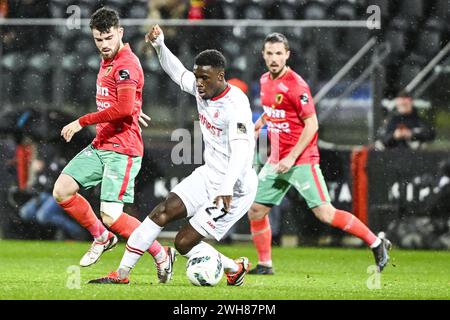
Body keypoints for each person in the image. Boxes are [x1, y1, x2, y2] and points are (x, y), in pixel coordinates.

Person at [89, 25, 257, 286]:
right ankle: (120, 275)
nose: (199, 83)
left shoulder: (236, 106)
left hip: (234, 187)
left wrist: (225, 187)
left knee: (183, 243)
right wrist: (160, 46)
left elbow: (241, 151)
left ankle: (233, 268)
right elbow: (178, 72)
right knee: (162, 211)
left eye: (205, 79)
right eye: (197, 77)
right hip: (210, 174)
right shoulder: (203, 87)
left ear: (221, 76)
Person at [247, 33, 392, 275]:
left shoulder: (297, 85)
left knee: (325, 213)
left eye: (278, 53)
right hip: (276, 161)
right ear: (263, 55)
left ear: (287, 55)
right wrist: (260, 122)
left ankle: (376, 243)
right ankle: (265, 264)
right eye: (269, 53)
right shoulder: (264, 81)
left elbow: (312, 124)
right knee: (255, 211)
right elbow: (274, 110)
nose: (274, 58)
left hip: (301, 160)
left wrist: (292, 157)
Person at [52, 7, 175, 283]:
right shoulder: (108, 59)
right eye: (98, 39)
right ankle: (101, 237)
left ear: (120, 33)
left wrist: (82, 121)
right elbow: (123, 104)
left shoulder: (126, 64)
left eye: (108, 38)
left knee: (111, 214)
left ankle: (161, 253)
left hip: (123, 150)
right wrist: (131, 107)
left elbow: (120, 108)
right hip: (102, 144)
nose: (104, 45)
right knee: (62, 191)